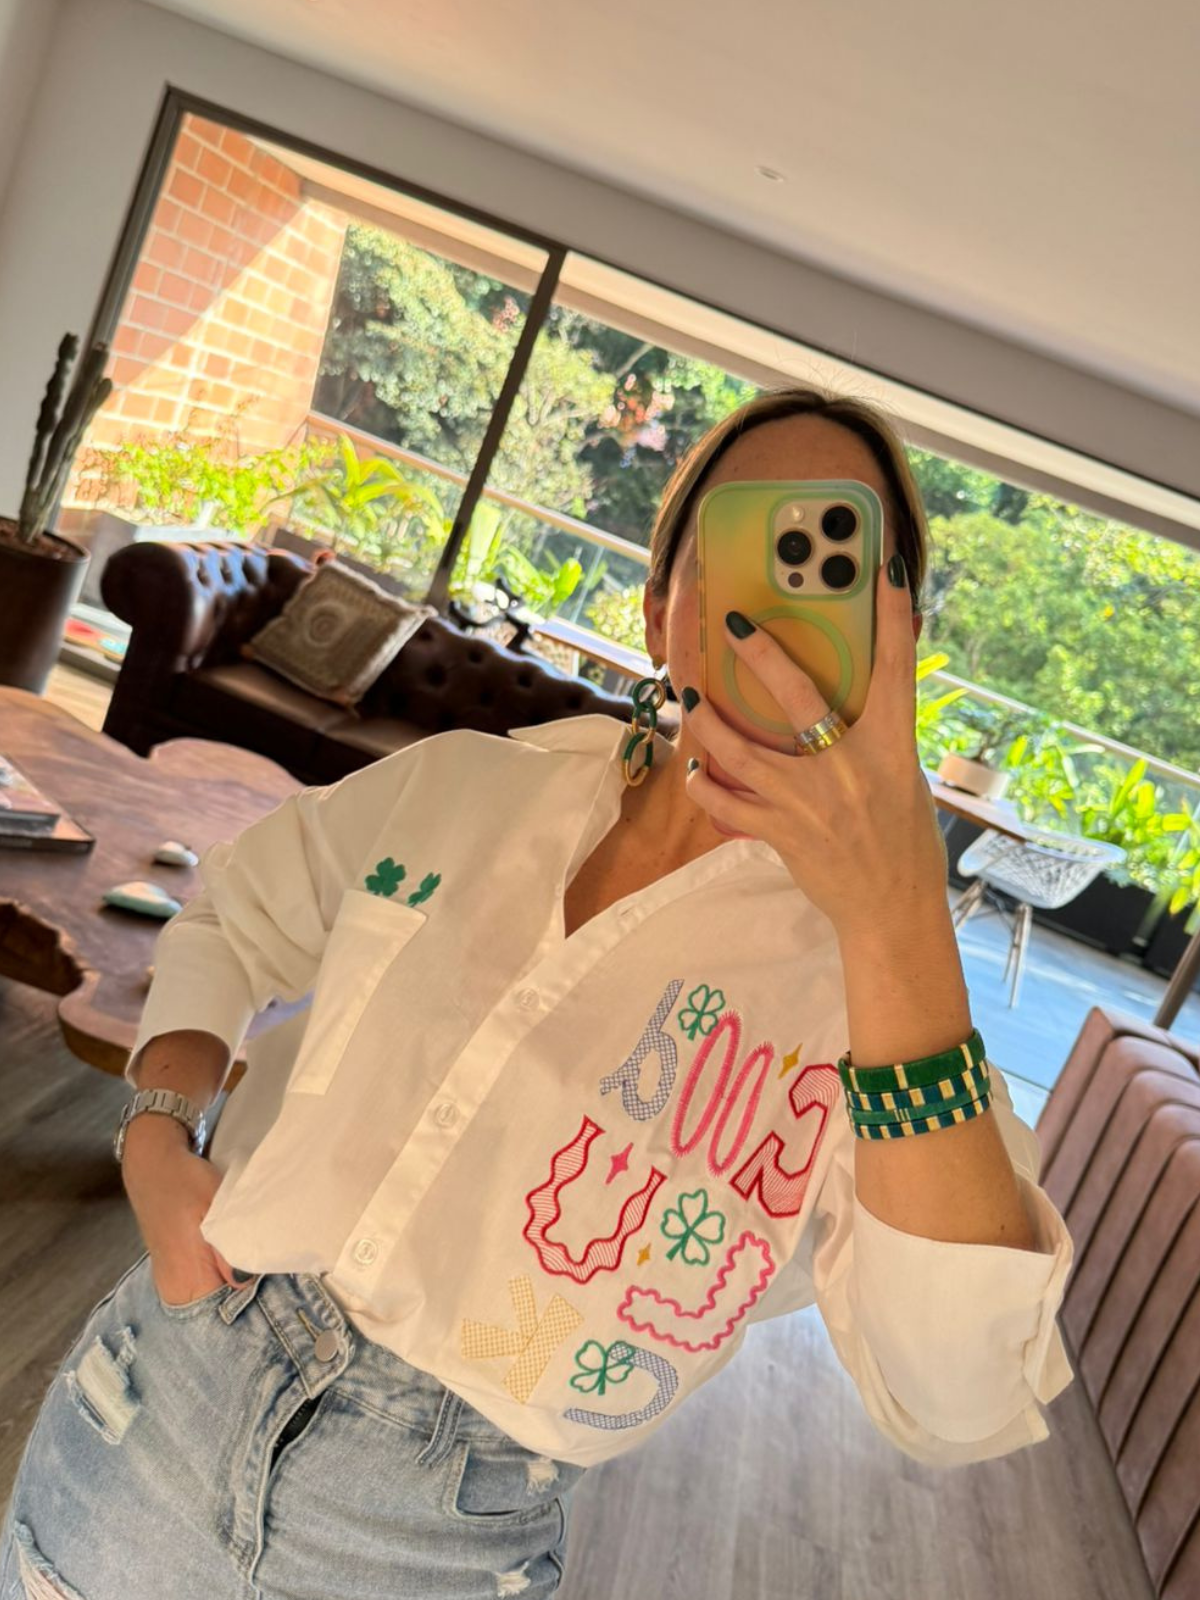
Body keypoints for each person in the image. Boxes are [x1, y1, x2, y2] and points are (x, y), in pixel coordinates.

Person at [0, 386, 1075, 1600]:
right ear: (663, 604)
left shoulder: (883, 991)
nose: (777, 610)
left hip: (431, 1548)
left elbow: (956, 1389)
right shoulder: (473, 788)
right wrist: (157, 1130)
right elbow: (239, 911)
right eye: (745, 546)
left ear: (896, 635)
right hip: (153, 1406)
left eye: (833, 563)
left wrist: (898, 915)